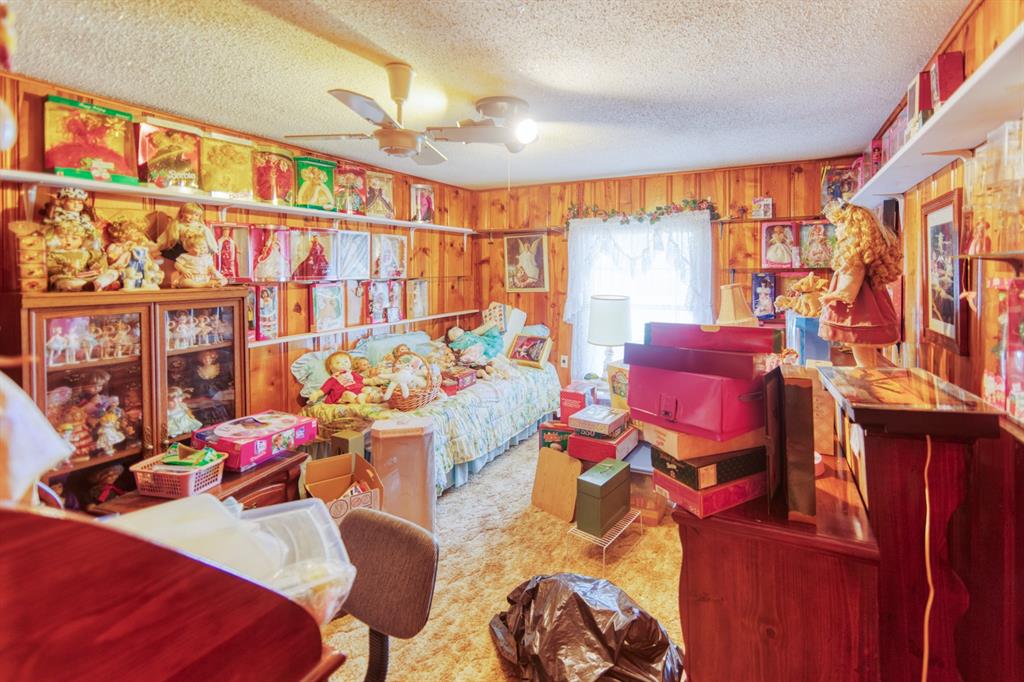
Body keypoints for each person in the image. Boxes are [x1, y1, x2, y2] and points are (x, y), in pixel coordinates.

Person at [818, 201, 901, 367]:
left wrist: (827, 297)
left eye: (839, 225)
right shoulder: (862, 256)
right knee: (866, 352)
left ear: (851, 228)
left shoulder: (854, 259)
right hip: (867, 313)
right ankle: (868, 373)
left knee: (861, 349)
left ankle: (867, 377)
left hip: (858, 315)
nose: (836, 230)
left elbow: (848, 292)